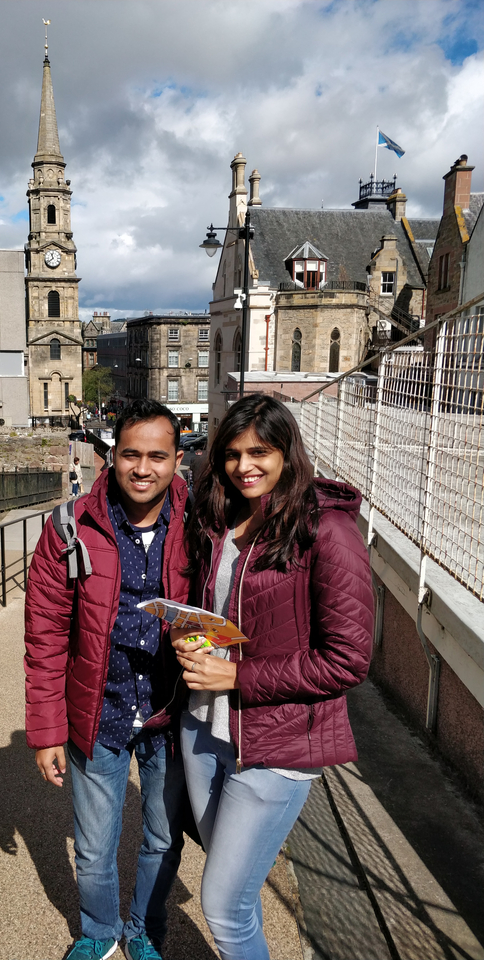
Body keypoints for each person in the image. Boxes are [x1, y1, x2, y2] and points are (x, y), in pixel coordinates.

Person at [171, 394, 374, 960]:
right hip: (203, 729)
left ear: (288, 451)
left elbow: (348, 659)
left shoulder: (327, 532)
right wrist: (191, 634)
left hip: (278, 744)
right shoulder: (221, 517)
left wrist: (235, 677)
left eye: (259, 451)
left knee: (221, 905)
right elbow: (225, 613)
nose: (244, 466)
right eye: (232, 454)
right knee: (236, 889)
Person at [25, 400, 190, 960]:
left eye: (157, 456)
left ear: (176, 458)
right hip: (99, 712)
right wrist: (46, 730)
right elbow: (45, 636)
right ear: (110, 456)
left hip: (172, 714)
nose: (143, 468)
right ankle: (99, 930)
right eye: (131, 454)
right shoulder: (70, 527)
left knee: (164, 838)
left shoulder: (200, 525)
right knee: (95, 847)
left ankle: (142, 927)